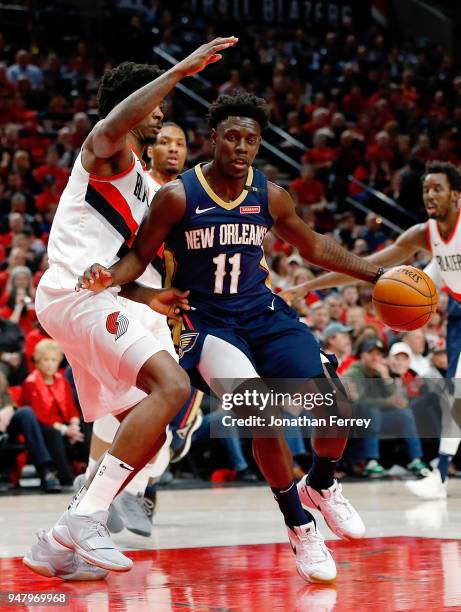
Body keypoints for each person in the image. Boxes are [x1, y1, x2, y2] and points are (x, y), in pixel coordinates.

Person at [79, 92, 387, 584]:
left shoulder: (271, 195)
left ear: (259, 143)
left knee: (335, 405)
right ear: (214, 139)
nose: (242, 147)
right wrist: (109, 276)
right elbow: (138, 257)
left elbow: (314, 246)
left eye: (251, 139)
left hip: (263, 313)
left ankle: (322, 484)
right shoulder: (177, 196)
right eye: (232, 137)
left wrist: (376, 274)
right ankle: (299, 524)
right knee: (259, 410)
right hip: (206, 323)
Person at [22, 37, 238, 581]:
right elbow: (115, 122)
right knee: (173, 388)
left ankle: (55, 541)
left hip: (99, 298)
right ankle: (88, 519)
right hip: (76, 295)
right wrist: (180, 70)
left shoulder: (144, 182)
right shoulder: (105, 148)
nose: (160, 118)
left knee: (147, 426)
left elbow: (121, 262)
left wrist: (151, 295)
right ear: (134, 105)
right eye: (155, 110)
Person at [282, 161, 461, 500]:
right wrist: (308, 286)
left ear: (456, 195)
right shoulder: (425, 234)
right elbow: (370, 268)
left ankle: (439, 475)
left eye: (437, 189)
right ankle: (439, 475)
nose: (429, 195)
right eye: (425, 189)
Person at [19, 339, 86, 485]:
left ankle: (90, 470)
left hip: (65, 426)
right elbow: (39, 416)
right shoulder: (31, 382)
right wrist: (65, 430)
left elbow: (71, 408)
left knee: (84, 426)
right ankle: (66, 476)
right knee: (53, 433)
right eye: (46, 360)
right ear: (38, 361)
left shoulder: (62, 380)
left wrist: (74, 424)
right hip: (43, 427)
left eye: (53, 360)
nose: (50, 363)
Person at [0, 371, 61, 493]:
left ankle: (45, 470)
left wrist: (9, 409)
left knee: (26, 412)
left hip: (5, 427)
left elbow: (8, 400)